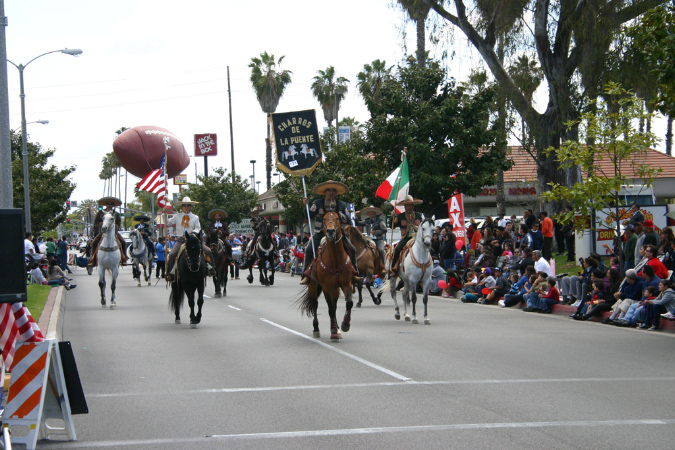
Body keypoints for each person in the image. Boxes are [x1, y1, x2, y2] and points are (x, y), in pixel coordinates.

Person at [300, 180, 360, 285]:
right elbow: (308, 215)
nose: (331, 192)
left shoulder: (341, 204)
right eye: (328, 190)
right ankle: (306, 275)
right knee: (309, 249)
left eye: (333, 190)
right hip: (321, 232)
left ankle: (354, 274)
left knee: (352, 249)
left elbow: (348, 220)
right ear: (325, 192)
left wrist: (341, 215)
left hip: (337, 234)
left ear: (336, 193)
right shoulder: (317, 203)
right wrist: (306, 206)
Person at [165, 196, 215, 282]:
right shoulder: (177, 216)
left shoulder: (195, 217)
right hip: (181, 239)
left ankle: (211, 268)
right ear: (182, 207)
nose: (186, 207)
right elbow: (168, 223)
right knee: (172, 254)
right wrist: (165, 214)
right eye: (184, 206)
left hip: (193, 240)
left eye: (188, 206)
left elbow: (198, 228)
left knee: (208, 251)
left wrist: (193, 232)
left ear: (190, 207)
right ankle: (171, 273)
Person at [389, 194, 424, 276]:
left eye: (410, 206)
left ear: (413, 206)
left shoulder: (419, 215)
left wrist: (418, 228)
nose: (408, 207)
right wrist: (392, 217)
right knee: (397, 249)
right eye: (406, 206)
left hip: (417, 237)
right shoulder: (400, 216)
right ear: (404, 206)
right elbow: (392, 227)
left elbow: (424, 227)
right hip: (406, 238)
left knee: (429, 248)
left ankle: (429, 267)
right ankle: (394, 268)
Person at [88, 197, 128, 267]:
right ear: (106, 205)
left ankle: (124, 258)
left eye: (111, 204)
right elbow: (96, 222)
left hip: (114, 232)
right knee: (94, 242)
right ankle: (93, 259)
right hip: (103, 232)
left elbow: (119, 224)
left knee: (123, 242)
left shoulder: (116, 214)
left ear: (113, 206)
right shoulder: (100, 213)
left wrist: (113, 226)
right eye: (108, 204)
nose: (109, 205)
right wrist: (102, 225)